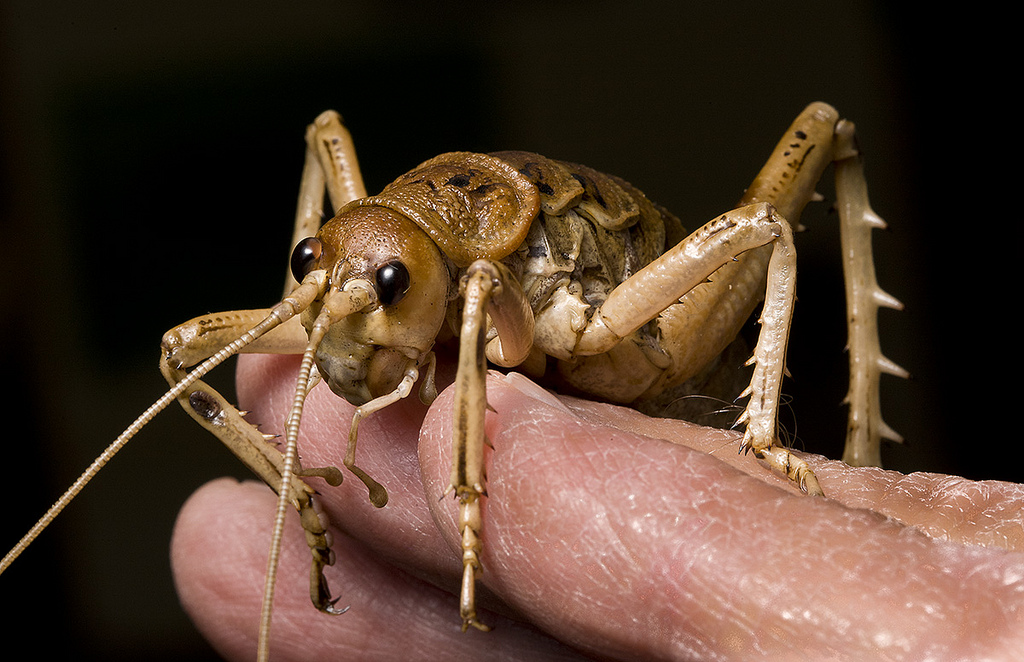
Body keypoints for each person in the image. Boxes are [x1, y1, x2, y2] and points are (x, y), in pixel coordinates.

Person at [171, 353, 1024, 661]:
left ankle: (803, 438)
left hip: (639, 320)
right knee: (193, 350)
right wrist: (304, 494)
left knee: (781, 196)